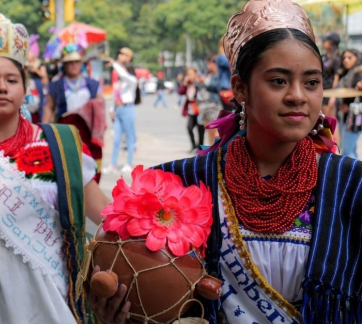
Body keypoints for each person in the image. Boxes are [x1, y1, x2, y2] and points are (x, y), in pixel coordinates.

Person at [89, 1, 362, 323]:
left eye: (312, 82)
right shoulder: (177, 184)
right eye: (278, 81)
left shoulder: (350, 185)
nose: (298, 96)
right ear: (239, 88)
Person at [0, 13, 110, 324]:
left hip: (57, 294)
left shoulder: (61, 144)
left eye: (12, 79)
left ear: (25, 87)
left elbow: (107, 217)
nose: (1, 87)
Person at [43, 44, 105, 182]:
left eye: (76, 62)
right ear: (64, 65)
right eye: (69, 63)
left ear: (81, 64)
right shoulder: (56, 86)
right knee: (68, 167)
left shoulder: (92, 84)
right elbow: (49, 107)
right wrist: (43, 131)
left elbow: (101, 109)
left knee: (91, 165)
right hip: (66, 132)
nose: (73, 65)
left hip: (88, 133)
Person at [102, 54, 140, 174]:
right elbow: (115, 97)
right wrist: (112, 110)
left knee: (129, 138)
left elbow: (124, 75)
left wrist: (114, 64)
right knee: (116, 139)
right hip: (118, 110)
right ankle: (112, 164)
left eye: (123, 69)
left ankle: (129, 163)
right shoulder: (119, 83)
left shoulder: (132, 80)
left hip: (128, 109)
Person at [334, 49, 362, 159]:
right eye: (344, 58)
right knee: (350, 148)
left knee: (347, 151)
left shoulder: (359, 71)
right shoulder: (345, 72)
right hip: (344, 115)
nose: (346, 60)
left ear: (357, 58)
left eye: (350, 57)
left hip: (355, 116)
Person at [179, 66, 205, 152]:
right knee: (189, 127)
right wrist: (185, 84)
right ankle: (193, 145)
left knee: (200, 129)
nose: (189, 76)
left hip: (199, 109)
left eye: (190, 74)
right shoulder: (188, 84)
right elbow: (180, 92)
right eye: (188, 74)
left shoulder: (199, 82)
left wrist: (197, 81)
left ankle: (200, 146)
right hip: (191, 109)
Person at [321, 31, 342, 120]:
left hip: (329, 93)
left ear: (331, 43)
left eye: (325, 41)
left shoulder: (337, 58)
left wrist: (333, 96)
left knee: (328, 121)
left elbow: (336, 78)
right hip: (322, 91)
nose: (322, 43)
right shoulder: (324, 56)